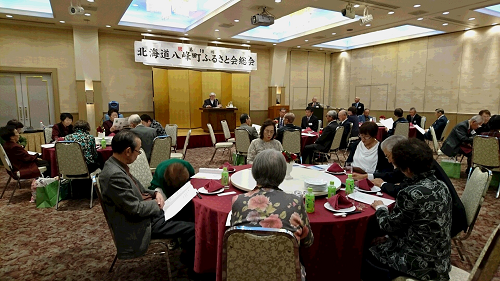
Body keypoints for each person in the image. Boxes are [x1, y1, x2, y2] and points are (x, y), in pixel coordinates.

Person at [98, 130, 195, 268]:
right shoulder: (114, 175)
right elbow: (135, 209)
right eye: (138, 151)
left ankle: (186, 251)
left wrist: (156, 193)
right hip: (141, 224)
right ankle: (192, 268)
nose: (138, 155)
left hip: (147, 214)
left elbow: (141, 189)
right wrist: (157, 204)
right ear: (127, 151)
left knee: (185, 213)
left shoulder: (116, 165)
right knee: (193, 228)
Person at [363, 139, 452, 281]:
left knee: (366, 249)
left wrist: (380, 207)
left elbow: (388, 226)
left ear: (408, 169)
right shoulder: (441, 185)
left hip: (417, 264)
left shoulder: (410, 193)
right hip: (440, 261)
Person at [353, 135, 467, 238]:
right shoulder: (422, 163)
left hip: (448, 222)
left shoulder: (411, 187)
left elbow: (389, 226)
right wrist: (368, 176)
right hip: (440, 226)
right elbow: (395, 175)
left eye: (388, 156)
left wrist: (380, 207)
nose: (388, 161)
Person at [230, 149, 313, 279]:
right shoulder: (295, 201)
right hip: (285, 275)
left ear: (254, 172)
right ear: (282, 174)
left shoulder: (238, 201)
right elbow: (308, 242)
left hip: (244, 273)